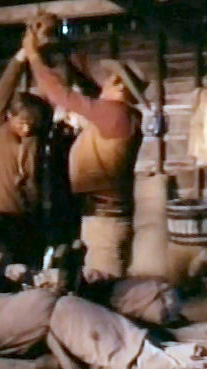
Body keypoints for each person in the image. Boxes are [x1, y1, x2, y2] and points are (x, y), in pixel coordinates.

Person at [23, 20, 148, 280]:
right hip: (103, 216)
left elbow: (63, 95)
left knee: (103, 285)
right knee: (97, 282)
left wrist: (34, 56)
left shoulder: (114, 114)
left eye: (111, 80)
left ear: (120, 87)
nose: (105, 83)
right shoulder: (121, 114)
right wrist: (67, 60)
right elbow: (92, 92)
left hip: (104, 220)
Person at [0, 21, 54, 287]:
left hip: (31, 221)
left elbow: (52, 97)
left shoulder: (35, 138)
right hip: (1, 220)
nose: (26, 128)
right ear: (10, 116)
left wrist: (40, 56)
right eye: (22, 122)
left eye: (32, 124)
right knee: (0, 278)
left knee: (30, 279)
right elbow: (4, 89)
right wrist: (23, 55)